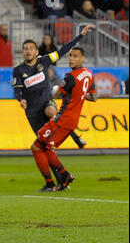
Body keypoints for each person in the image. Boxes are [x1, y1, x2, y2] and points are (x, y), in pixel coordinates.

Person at [13, 24, 94, 187]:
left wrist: (80, 36)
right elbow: (17, 89)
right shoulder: (18, 70)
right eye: (25, 49)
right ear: (23, 52)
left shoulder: (44, 61)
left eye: (31, 48)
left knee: (52, 111)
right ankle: (60, 179)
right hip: (32, 111)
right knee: (44, 147)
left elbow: (63, 50)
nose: (28, 51)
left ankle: (75, 137)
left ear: (37, 52)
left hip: (46, 102)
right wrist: (20, 100)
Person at [31, 46, 97, 191]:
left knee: (41, 146)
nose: (71, 59)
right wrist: (79, 95)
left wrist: (56, 89)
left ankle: (54, 181)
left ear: (82, 58)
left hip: (63, 118)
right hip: (70, 119)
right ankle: (63, 176)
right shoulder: (89, 74)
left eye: (75, 56)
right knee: (38, 144)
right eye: (70, 56)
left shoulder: (70, 77)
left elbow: (55, 95)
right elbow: (94, 97)